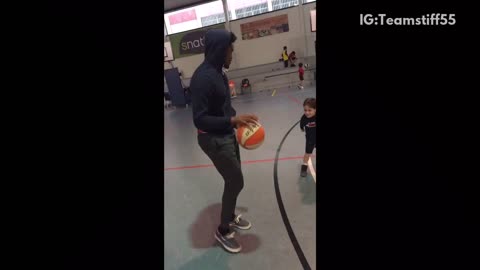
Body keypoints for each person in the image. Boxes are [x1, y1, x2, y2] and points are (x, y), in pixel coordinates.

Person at [190, 29, 258, 254]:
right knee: (236, 181)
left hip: (227, 134)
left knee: (235, 179)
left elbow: (223, 107)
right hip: (212, 139)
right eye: (230, 49)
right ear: (220, 50)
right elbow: (199, 119)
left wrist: (237, 121)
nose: (232, 53)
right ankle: (222, 229)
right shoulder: (202, 79)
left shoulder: (220, 73)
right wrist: (231, 120)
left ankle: (228, 215)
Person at [300, 98, 316, 177]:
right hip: (310, 139)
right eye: (305, 110)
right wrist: (302, 129)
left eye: (309, 110)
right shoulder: (304, 119)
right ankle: (304, 167)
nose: (307, 112)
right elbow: (301, 127)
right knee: (307, 153)